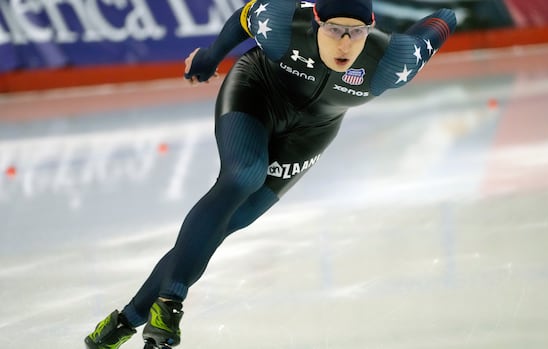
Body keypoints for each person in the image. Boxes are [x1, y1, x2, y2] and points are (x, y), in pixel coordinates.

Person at [84, 0, 456, 348]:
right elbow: (245, 15)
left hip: (312, 131)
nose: (344, 43)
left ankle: (124, 322)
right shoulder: (283, 23)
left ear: (371, 27)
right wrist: (211, 58)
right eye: (333, 30)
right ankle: (170, 303)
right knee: (243, 176)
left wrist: (448, 12)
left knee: (232, 221)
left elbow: (439, 25)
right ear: (315, 22)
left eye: (356, 32)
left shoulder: (393, 59)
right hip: (257, 92)